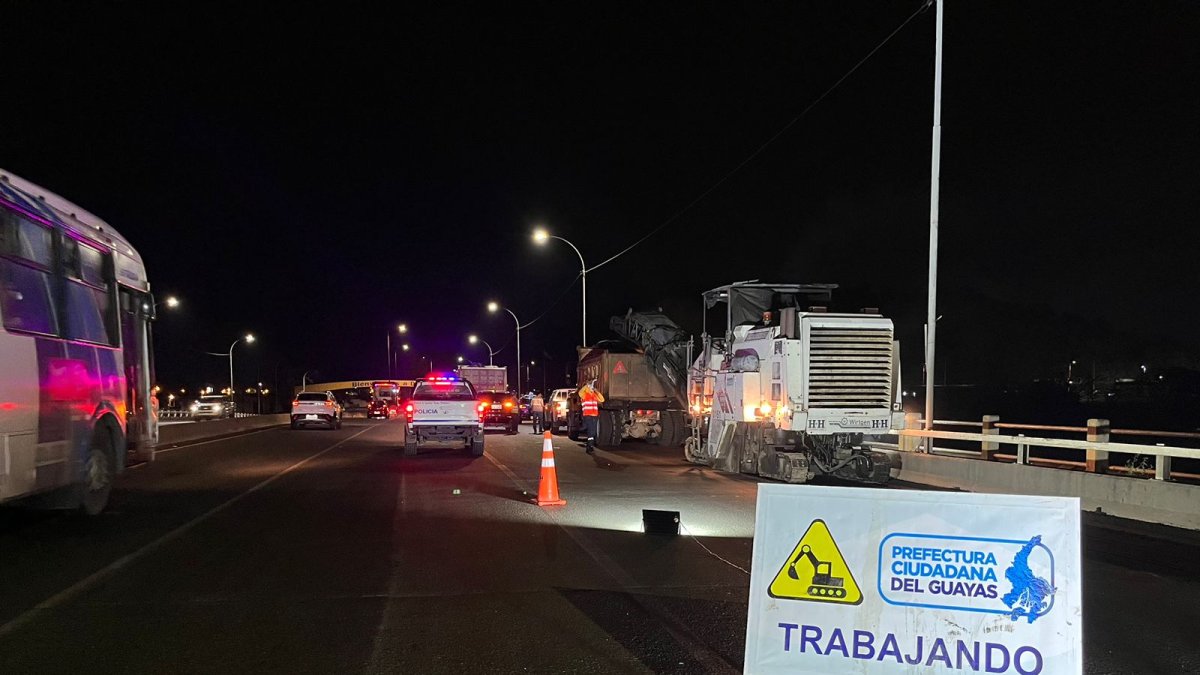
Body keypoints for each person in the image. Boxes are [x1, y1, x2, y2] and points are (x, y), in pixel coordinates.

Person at [577, 379, 604, 453]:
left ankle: (590, 446)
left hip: (594, 415)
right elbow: (580, 392)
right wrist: (587, 385)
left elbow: (602, 399)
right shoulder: (584, 395)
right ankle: (589, 446)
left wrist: (596, 391)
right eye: (591, 386)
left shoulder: (594, 395)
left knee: (593, 432)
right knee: (591, 431)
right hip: (587, 415)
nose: (591, 388)